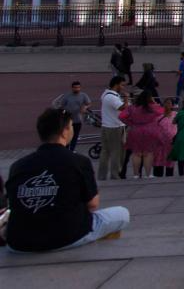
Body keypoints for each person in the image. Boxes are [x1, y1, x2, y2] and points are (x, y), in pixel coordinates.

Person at [4, 108, 130, 252]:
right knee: (122, 213)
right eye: (70, 126)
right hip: (65, 237)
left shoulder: (17, 166)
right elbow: (93, 204)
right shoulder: (78, 161)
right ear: (64, 132)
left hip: (18, 242)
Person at [119, 90, 164, 178]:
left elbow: (121, 116)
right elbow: (162, 112)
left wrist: (130, 123)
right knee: (148, 152)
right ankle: (148, 174)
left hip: (135, 130)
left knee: (136, 153)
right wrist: (154, 103)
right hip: (149, 130)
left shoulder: (132, 107)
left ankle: (136, 174)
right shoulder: (152, 107)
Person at [97, 76, 127, 181]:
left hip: (106, 126)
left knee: (105, 151)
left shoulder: (105, 94)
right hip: (115, 127)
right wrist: (126, 98)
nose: (123, 87)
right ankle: (115, 174)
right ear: (116, 84)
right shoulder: (112, 97)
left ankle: (102, 175)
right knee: (116, 152)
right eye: (122, 85)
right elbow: (123, 108)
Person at [56, 81, 91, 152]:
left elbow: (89, 103)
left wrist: (85, 107)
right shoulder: (67, 96)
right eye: (75, 87)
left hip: (78, 120)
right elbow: (62, 106)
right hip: (67, 120)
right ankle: (66, 150)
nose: (77, 89)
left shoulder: (83, 95)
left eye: (78, 87)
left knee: (75, 136)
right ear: (72, 88)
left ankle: (71, 150)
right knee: (67, 136)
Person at [153, 98, 178, 177]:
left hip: (171, 142)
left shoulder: (176, 115)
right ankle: (157, 176)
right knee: (158, 160)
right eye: (165, 103)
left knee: (170, 161)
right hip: (159, 142)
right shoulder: (158, 115)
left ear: (172, 106)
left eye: (169, 103)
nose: (167, 105)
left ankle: (169, 177)